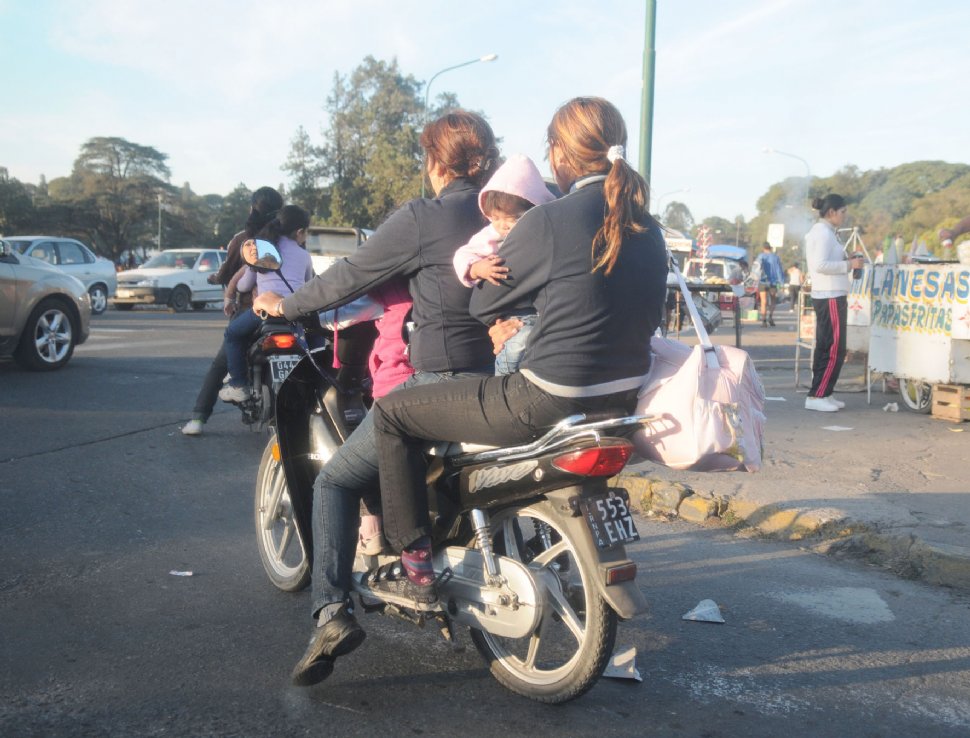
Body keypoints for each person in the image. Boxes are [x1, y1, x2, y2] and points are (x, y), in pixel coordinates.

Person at [369, 96, 667, 614]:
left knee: (394, 414)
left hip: (545, 396)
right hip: (619, 401)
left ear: (560, 154)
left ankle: (414, 564)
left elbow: (484, 298)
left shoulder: (552, 219)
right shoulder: (649, 226)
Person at [251, 111, 499, 687]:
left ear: (436, 161)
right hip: (496, 380)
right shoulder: (505, 216)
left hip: (436, 382)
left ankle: (331, 613)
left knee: (336, 478)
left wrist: (284, 307)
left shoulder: (423, 217)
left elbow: (351, 276)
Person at [181, 186, 283, 436]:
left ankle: (199, 417)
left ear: (252, 208)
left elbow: (231, 274)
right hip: (287, 312)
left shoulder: (244, 240)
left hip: (252, 312)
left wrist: (220, 283)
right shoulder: (288, 240)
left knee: (220, 364)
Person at [452, 153, 556, 374]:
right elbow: (463, 254)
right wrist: (477, 268)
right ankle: (503, 381)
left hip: (541, 312)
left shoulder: (545, 235)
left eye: (513, 218)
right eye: (496, 218)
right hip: (513, 314)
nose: (503, 225)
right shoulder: (490, 237)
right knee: (516, 344)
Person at [218, 205, 313, 403]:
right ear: (300, 232)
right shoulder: (304, 255)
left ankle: (238, 385)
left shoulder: (262, 250)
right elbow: (307, 284)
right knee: (315, 343)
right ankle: (317, 381)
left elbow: (244, 286)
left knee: (233, 334)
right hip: (294, 311)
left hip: (266, 311)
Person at [804, 194, 864, 412]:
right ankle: (818, 395)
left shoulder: (827, 233)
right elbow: (819, 264)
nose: (844, 216)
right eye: (842, 212)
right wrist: (849, 265)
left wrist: (848, 260)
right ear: (832, 212)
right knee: (833, 348)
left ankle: (823, 392)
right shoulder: (822, 233)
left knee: (827, 346)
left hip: (831, 293)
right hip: (829, 294)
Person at [757, 242, 784, 326]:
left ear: (763, 248)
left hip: (762, 281)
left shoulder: (760, 256)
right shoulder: (775, 257)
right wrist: (781, 282)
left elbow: (756, 269)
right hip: (773, 282)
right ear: (770, 248)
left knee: (763, 301)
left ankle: (764, 321)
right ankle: (770, 316)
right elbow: (779, 270)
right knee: (773, 300)